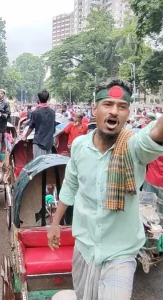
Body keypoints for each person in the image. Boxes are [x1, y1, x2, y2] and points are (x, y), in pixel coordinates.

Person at [47, 78, 163, 300]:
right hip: (84, 248)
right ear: (94, 109)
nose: (114, 111)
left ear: (128, 114)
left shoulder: (134, 146)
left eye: (122, 107)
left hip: (120, 253)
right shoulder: (80, 146)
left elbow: (154, 134)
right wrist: (54, 224)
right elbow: (70, 185)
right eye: (107, 104)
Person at [22, 89, 55, 158]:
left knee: (38, 164)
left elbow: (31, 127)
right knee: (47, 164)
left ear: (38, 99)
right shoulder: (52, 112)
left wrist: (25, 136)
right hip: (49, 142)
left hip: (39, 142)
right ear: (47, 99)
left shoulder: (35, 112)